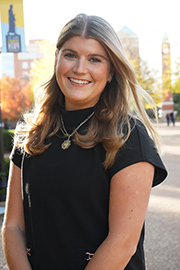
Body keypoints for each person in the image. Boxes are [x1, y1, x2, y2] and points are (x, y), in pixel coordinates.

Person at [2, 14, 167, 270]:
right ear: (56, 59)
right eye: (70, 55)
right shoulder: (30, 133)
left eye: (94, 59)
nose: (80, 68)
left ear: (111, 71)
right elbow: (13, 226)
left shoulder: (129, 137)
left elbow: (122, 242)